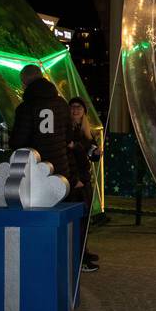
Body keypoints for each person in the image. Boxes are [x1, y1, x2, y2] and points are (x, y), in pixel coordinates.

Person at [9, 64, 70, 182]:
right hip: (60, 167)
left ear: (24, 81)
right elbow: (69, 136)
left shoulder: (26, 107)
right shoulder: (61, 103)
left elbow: (18, 141)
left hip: (36, 168)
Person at [66, 97, 101, 272]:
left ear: (84, 111)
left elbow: (92, 155)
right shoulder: (67, 130)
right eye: (72, 107)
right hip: (77, 180)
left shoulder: (86, 131)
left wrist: (96, 152)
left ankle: (83, 252)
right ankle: (79, 260)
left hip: (84, 178)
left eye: (79, 107)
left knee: (86, 219)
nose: (75, 110)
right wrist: (74, 179)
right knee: (79, 219)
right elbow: (70, 156)